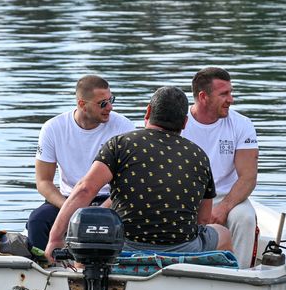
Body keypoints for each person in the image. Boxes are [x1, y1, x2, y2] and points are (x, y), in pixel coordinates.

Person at [45, 86, 232, 263]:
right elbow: (204, 220)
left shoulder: (120, 144)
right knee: (223, 234)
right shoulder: (198, 155)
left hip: (124, 245)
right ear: (184, 122)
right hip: (183, 247)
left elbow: (85, 189)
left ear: (148, 112)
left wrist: (55, 238)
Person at [26, 75, 134, 251]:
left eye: (111, 100)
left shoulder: (124, 127)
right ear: (82, 104)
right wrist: (70, 209)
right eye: (102, 103)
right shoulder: (53, 128)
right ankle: (44, 269)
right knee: (37, 220)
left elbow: (130, 184)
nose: (110, 107)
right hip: (68, 199)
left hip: (111, 200)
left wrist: (99, 211)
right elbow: (43, 182)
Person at [181, 67, 258, 267]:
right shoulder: (180, 123)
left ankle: (238, 275)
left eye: (231, 93)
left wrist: (223, 208)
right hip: (187, 196)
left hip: (227, 196)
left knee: (245, 219)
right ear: (203, 97)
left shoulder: (242, 124)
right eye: (224, 94)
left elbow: (248, 177)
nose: (231, 99)